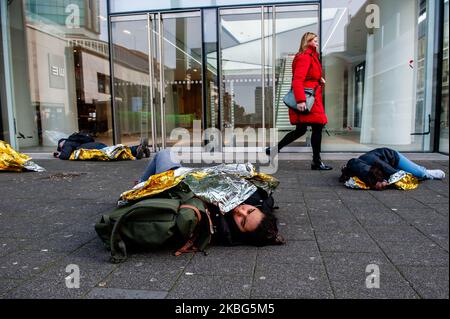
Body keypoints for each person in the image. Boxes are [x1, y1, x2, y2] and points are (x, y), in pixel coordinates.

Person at [137, 149, 285, 247]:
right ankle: (141, 185)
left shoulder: (220, 225)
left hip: (173, 182)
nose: (241, 212)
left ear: (241, 232)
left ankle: (139, 188)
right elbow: (267, 200)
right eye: (249, 211)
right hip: (192, 175)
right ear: (257, 208)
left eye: (243, 221)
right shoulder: (257, 201)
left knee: (165, 153)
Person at [266, 32, 332, 171]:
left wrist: (319, 79)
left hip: (312, 96)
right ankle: (316, 162)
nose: (317, 43)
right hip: (307, 98)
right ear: (307, 42)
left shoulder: (312, 57)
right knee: (317, 127)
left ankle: (274, 150)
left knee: (301, 130)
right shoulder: (305, 57)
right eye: (314, 40)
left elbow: (310, 75)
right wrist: (301, 100)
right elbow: (297, 79)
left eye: (317, 41)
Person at [339, 147, 446, 190]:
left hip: (392, 157)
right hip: (379, 168)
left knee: (418, 174)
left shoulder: (374, 165)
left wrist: (383, 181)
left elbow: (396, 173)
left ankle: (426, 172)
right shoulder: (359, 173)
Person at [54, 132, 150, 160]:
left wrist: (59, 155)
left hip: (92, 148)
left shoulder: (68, 143)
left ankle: (137, 148)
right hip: (96, 145)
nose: (61, 147)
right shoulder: (77, 141)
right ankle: (142, 149)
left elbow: (65, 155)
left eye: (60, 146)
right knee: (114, 150)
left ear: (61, 144)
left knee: (114, 152)